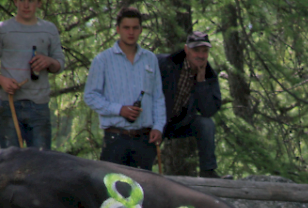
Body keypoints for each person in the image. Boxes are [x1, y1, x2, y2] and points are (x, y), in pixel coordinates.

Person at [84, 7, 166, 171]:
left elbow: (158, 96)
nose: (131, 32)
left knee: (144, 191)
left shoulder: (150, 59)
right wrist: (119, 109)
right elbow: (90, 96)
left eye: (135, 28)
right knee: (112, 190)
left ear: (141, 30)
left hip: (145, 138)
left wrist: (158, 126)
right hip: (115, 138)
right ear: (118, 29)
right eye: (126, 28)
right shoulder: (103, 60)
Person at [0, 0, 65, 150]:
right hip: (9, 105)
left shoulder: (49, 29)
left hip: (39, 106)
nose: (26, 5)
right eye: (22, 0)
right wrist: (1, 80)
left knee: (41, 162)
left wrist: (48, 61)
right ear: (15, 2)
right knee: (9, 162)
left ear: (39, 3)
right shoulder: (1, 29)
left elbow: (60, 63)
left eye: (31, 1)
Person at [157, 31, 225, 178]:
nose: (200, 55)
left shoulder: (209, 76)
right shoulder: (166, 63)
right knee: (145, 154)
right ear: (187, 50)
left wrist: (201, 82)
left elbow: (208, 111)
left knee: (206, 124)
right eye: (196, 50)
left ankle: (208, 172)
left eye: (204, 51)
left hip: (182, 122)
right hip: (157, 120)